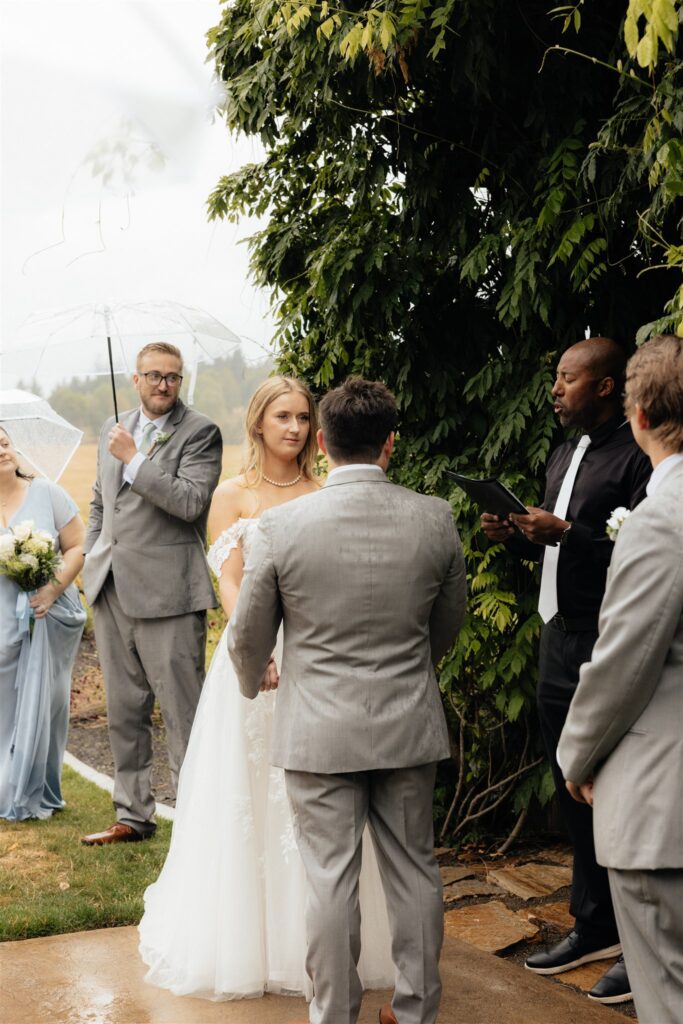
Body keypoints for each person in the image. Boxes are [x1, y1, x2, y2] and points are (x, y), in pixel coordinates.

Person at [138, 375, 395, 1001]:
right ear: (258, 423)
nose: (296, 429)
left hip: (318, 659)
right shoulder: (232, 494)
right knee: (247, 792)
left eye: (304, 417)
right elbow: (230, 579)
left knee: (316, 803)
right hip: (253, 656)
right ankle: (245, 943)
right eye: (283, 416)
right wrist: (252, 645)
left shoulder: (321, 491)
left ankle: (316, 947)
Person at [228, 377, 468, 1024]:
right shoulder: (435, 517)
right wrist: (412, 676)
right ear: (391, 442)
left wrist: (254, 683)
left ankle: (333, 1014)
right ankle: (416, 1011)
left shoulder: (278, 526)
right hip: (407, 725)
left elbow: (248, 634)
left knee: (328, 880)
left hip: (315, 729)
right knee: (416, 870)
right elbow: (448, 623)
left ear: (324, 443)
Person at [480, 337, 651, 1004]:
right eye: (554, 376)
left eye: (567, 378)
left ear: (606, 386)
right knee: (569, 785)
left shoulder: (639, 458)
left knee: (617, 791)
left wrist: (568, 534)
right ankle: (592, 924)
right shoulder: (561, 452)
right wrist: (522, 539)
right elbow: (559, 552)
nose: (554, 389)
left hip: (608, 638)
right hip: (557, 637)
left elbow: (646, 551)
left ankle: (640, 943)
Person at [558, 334, 683, 1024]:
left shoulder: (661, 520)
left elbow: (622, 661)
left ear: (635, 414)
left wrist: (575, 753)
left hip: (666, 803)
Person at [80, 342, 222, 846]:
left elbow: (190, 503)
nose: (164, 385)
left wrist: (135, 459)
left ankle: (196, 825)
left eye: (173, 377)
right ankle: (133, 815)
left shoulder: (200, 432)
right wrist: (93, 559)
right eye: (154, 376)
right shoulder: (111, 428)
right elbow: (101, 502)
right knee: (123, 711)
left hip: (170, 595)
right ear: (135, 379)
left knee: (183, 716)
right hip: (112, 588)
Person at [0, 425, 86, 820]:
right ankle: (6, 785)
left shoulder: (47, 492)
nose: (2, 450)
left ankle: (39, 786)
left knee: (48, 705)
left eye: (4, 441)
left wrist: (51, 589)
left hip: (48, 616)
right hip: (4, 620)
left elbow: (77, 545)